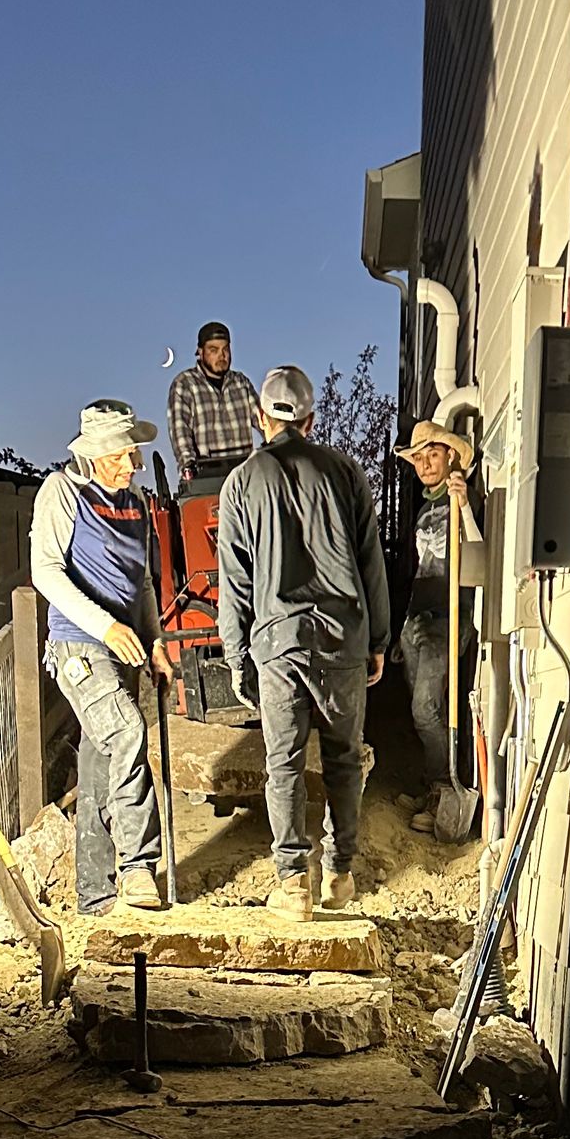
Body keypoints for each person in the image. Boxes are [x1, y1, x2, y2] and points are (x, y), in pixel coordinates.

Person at [215, 365, 390, 921]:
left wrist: (236, 654)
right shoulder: (346, 473)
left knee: (283, 762)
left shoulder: (241, 482)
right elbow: (371, 563)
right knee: (343, 758)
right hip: (343, 638)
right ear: (312, 419)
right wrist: (378, 639)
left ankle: (292, 885)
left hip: (278, 640)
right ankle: (339, 874)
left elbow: (235, 582)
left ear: (257, 417)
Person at [28, 400, 175, 914]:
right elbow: (46, 573)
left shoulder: (134, 502)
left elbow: (145, 583)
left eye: (134, 453)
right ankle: (138, 867)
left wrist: (154, 640)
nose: (132, 464)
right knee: (127, 732)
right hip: (79, 642)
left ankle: (94, 891)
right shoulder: (62, 493)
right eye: (123, 454)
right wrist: (106, 626)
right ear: (94, 454)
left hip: (125, 642)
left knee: (98, 762)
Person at [393, 420, 481, 824]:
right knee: (425, 710)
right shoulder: (428, 508)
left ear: (449, 456)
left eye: (433, 455)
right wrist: (404, 624)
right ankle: (434, 787)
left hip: (449, 617)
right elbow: (422, 568)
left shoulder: (463, 500)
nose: (426, 464)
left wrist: (463, 507)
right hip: (420, 618)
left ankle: (447, 789)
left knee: (426, 708)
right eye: (419, 458)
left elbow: (479, 553)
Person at [167, 322, 260, 485]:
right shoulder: (185, 384)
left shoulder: (241, 383)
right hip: (207, 480)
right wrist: (188, 465)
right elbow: (180, 431)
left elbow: (263, 420)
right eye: (214, 350)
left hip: (246, 477)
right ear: (200, 353)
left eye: (225, 349)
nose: (221, 356)